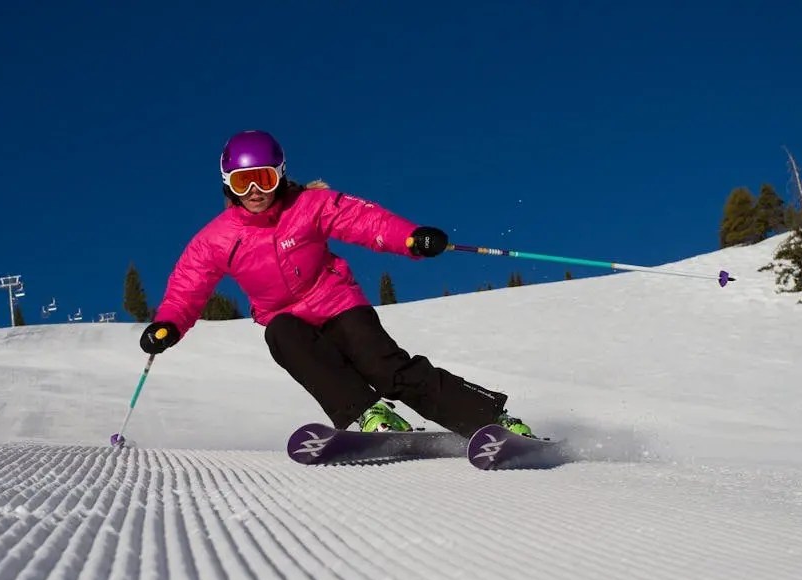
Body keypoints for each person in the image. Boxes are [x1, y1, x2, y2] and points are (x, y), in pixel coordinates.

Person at [139, 129, 531, 438]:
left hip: (339, 304)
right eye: (243, 182)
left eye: (262, 178)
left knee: (386, 369)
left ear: (280, 174)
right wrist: (168, 324)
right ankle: (366, 414)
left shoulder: (309, 206)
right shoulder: (217, 238)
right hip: (288, 319)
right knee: (280, 334)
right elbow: (188, 286)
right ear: (228, 184)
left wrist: (411, 238)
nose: (255, 191)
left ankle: (491, 418)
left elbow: (364, 221)